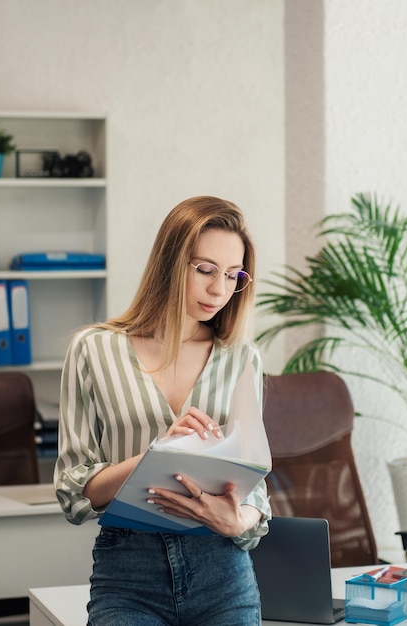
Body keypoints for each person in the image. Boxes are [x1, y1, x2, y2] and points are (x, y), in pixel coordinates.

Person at [54, 196, 272, 626]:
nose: (219, 290)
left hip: (224, 571)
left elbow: (256, 488)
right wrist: (156, 453)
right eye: (205, 270)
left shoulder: (242, 357)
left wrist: (237, 520)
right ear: (170, 263)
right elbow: (72, 491)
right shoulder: (93, 350)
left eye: (233, 275)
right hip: (129, 573)